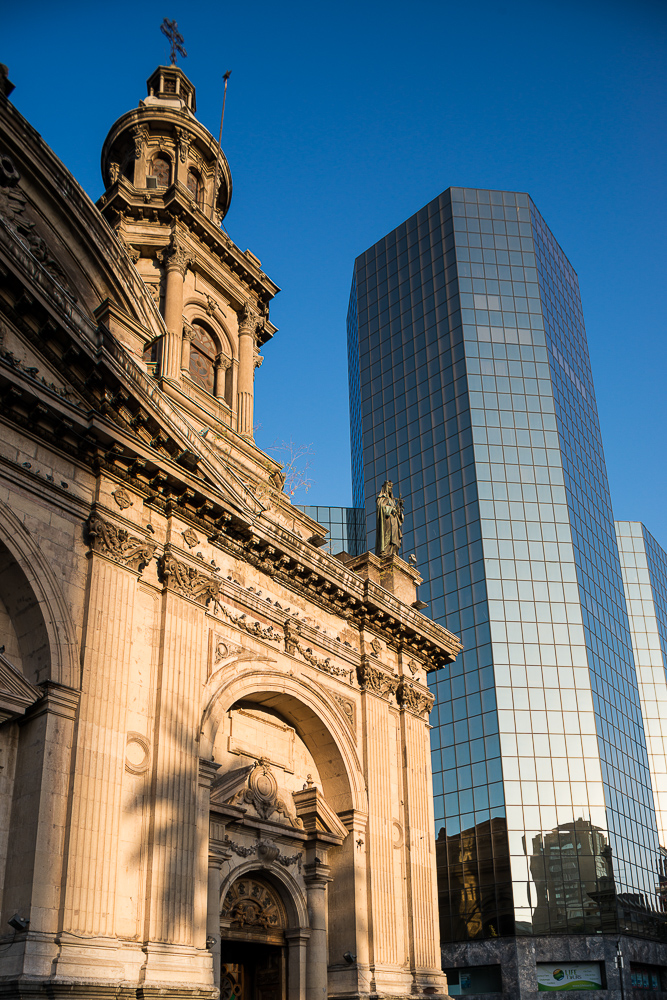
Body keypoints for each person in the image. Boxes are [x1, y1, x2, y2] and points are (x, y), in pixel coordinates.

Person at [375, 480, 404, 557]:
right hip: (387, 521)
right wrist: (391, 509)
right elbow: (381, 507)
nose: (390, 488)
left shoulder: (393, 501)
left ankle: (393, 554)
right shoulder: (382, 497)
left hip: (394, 522)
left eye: (391, 487)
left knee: (394, 541)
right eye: (389, 486)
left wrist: (399, 510)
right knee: (388, 538)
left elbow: (399, 517)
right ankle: (386, 553)